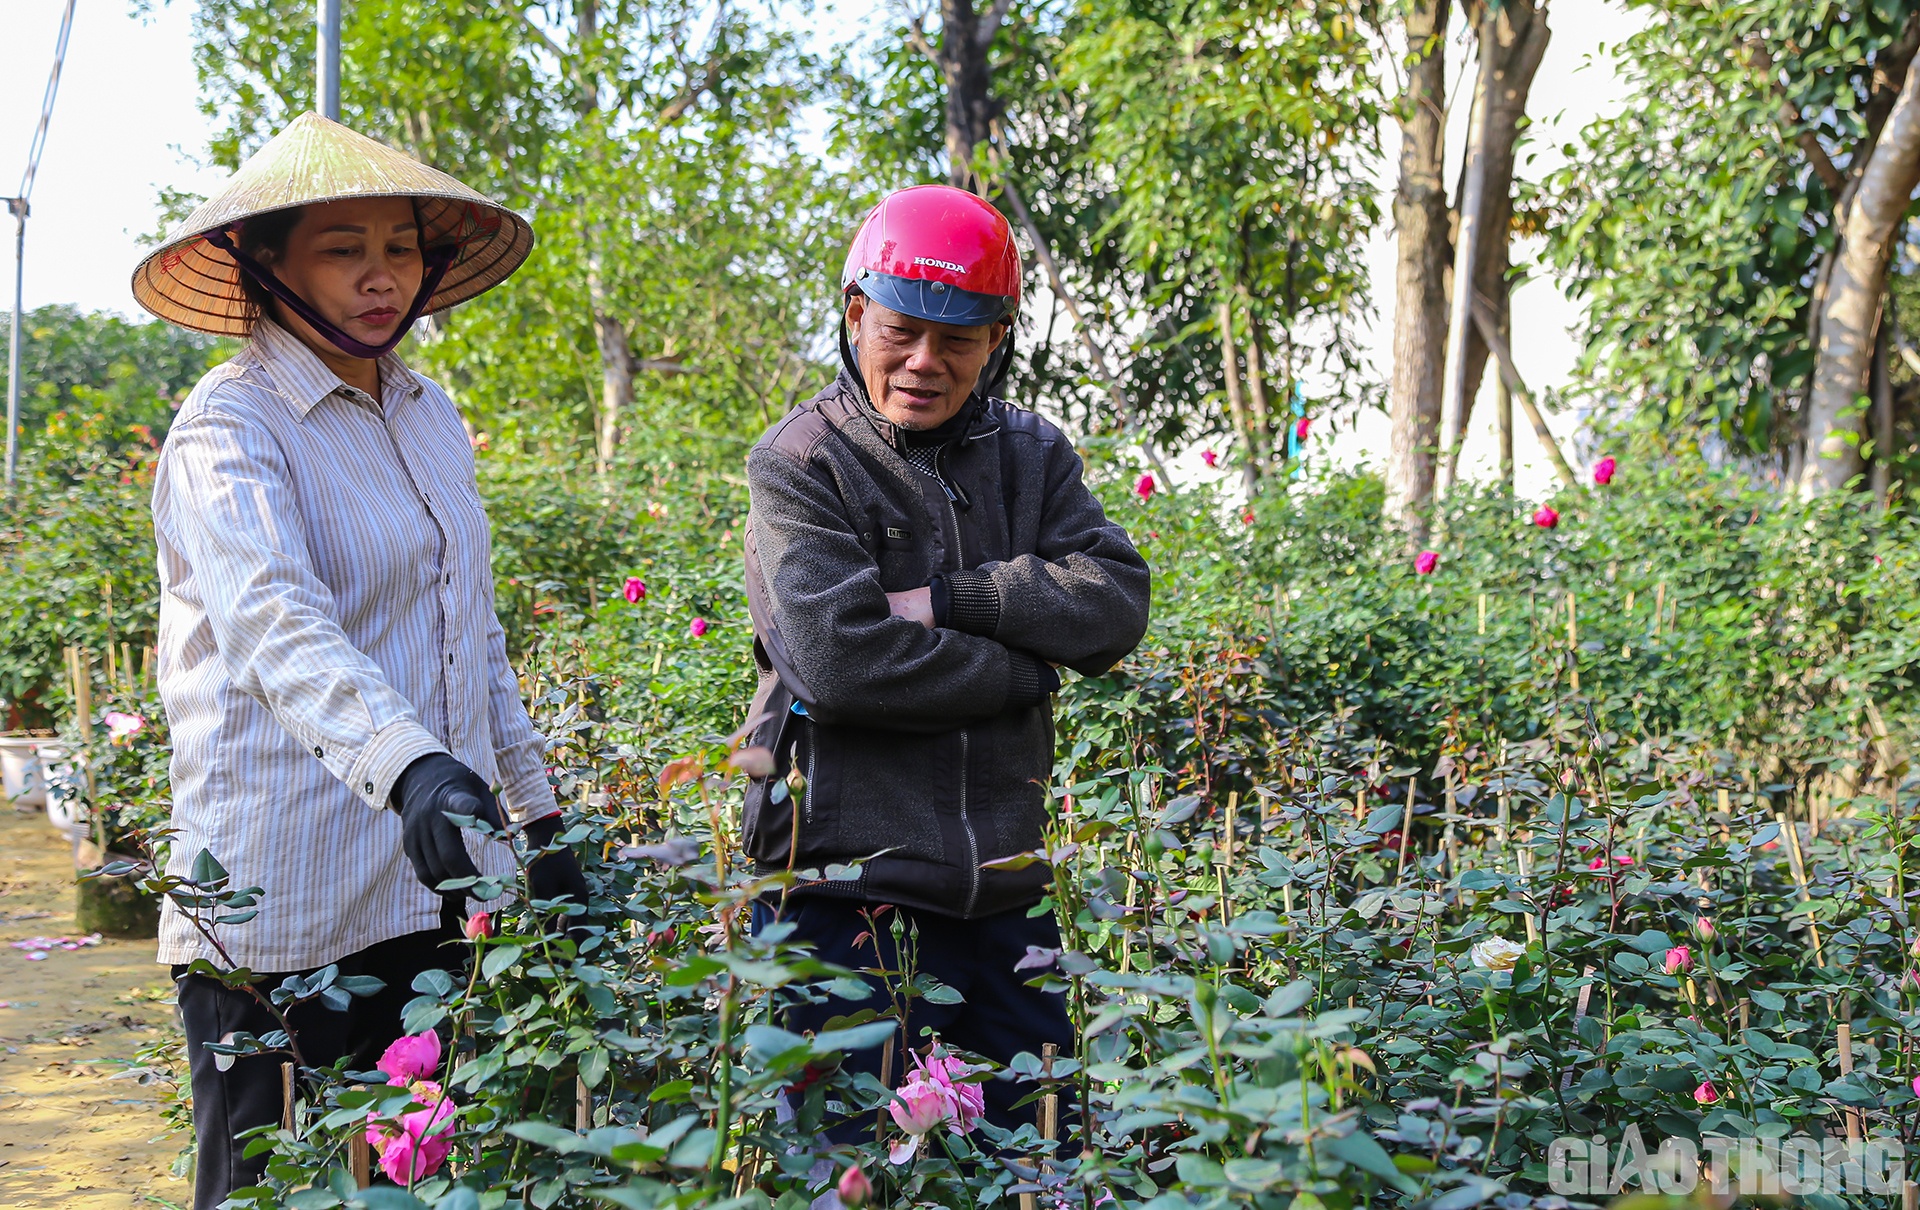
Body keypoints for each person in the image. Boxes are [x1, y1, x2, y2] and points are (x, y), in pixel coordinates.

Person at [131, 112, 587, 1206]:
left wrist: (538, 816)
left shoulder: (427, 414)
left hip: (426, 887)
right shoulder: (231, 428)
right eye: (344, 249)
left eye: (402, 248)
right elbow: (275, 622)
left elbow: (470, 634)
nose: (383, 277)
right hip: (285, 902)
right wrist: (411, 765)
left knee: (410, 1177)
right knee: (268, 1185)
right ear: (266, 262)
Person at [739, 184, 1151, 1135]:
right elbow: (840, 664)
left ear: (996, 341)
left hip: (1007, 893)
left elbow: (1115, 601)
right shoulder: (801, 463)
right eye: (901, 331)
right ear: (856, 316)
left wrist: (959, 600)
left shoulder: (1033, 454)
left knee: (1038, 1158)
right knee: (845, 1170)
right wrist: (1022, 672)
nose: (925, 361)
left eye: (958, 339)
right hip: (844, 899)